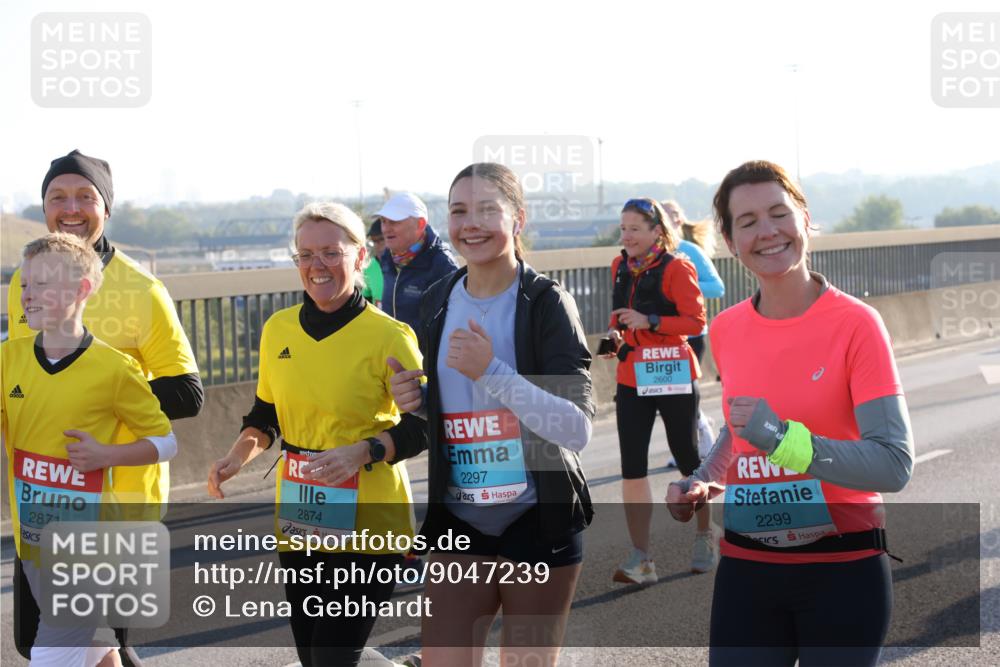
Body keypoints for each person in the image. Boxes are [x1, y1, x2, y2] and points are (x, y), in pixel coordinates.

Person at [667, 160, 914, 666]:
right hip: (747, 568)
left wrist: (783, 440)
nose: (767, 231)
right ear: (730, 242)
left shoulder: (857, 324)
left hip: (843, 569)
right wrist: (703, 479)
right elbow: (741, 429)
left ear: (805, 219)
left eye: (779, 214)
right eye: (748, 221)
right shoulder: (728, 329)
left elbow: (893, 464)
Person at [388, 162, 594, 667]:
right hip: (460, 520)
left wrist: (492, 371)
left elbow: (575, 428)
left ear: (518, 219)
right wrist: (419, 401)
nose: (471, 224)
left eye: (487, 209)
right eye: (459, 211)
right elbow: (457, 411)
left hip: (537, 518)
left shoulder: (546, 303)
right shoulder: (438, 299)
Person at [207, 202, 427, 667]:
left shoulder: (390, 336)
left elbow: (424, 425)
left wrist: (364, 451)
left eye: (331, 252)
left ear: (360, 256)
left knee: (331, 657)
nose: (316, 265)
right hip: (302, 515)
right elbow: (266, 414)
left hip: (371, 520)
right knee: (314, 657)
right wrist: (237, 456)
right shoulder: (278, 329)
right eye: (305, 255)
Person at [6, 149, 203, 666]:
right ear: (44, 208)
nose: (70, 208)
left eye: (85, 197)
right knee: (64, 644)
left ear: (106, 208)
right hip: (40, 502)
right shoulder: (25, 279)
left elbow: (188, 392)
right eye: (57, 197)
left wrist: (98, 400)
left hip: (114, 506)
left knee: (72, 644)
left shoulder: (143, 289)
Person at [599, 197, 717, 579]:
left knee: (687, 457)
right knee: (632, 466)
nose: (626, 236)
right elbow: (619, 316)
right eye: (623, 228)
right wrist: (612, 338)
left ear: (656, 231)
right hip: (632, 375)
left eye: (635, 228)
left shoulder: (677, 266)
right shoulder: (619, 266)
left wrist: (649, 320)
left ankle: (705, 535)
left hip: (672, 372)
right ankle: (641, 558)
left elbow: (695, 321)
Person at [661, 200, 725, 463]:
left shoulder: (688, 250)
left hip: (690, 335)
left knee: (682, 394)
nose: (666, 218)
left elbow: (717, 287)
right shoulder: (650, 253)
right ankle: (690, 443)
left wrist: (683, 283)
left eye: (671, 213)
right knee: (668, 396)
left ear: (679, 219)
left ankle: (703, 442)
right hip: (660, 335)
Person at [375, 191, 459, 330]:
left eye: (394, 221)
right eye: (383, 221)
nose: (385, 229)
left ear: (420, 224)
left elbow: (453, 322)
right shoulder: (387, 257)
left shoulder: (443, 264)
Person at [361, 218, 385, 307]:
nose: (377, 245)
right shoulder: (369, 266)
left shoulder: (404, 265)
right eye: (374, 241)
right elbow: (366, 298)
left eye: (381, 239)